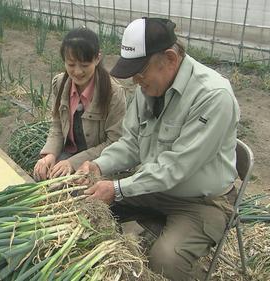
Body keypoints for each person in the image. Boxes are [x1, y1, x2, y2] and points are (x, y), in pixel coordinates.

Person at [77, 18, 240, 280]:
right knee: (84, 200)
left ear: (171, 58)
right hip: (154, 185)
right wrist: (99, 165)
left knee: (165, 260)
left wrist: (118, 188)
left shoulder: (212, 96)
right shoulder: (149, 86)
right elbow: (131, 143)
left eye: (141, 72)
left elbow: (176, 167)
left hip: (200, 201)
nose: (136, 80)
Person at [33, 27, 127, 181]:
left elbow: (114, 142)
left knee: (75, 190)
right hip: (69, 153)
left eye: (84, 65)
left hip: (98, 160)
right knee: (42, 176)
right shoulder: (60, 83)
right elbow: (57, 124)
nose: (77, 72)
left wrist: (73, 163)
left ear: (97, 59)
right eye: (71, 64)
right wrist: (50, 154)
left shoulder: (113, 93)